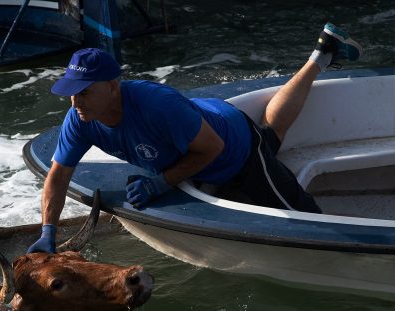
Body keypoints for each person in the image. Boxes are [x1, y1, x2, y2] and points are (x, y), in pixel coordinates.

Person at [28, 23, 362, 254]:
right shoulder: (81, 117)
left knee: (305, 216)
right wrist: (48, 232)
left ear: (113, 86)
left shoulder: (156, 106)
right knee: (272, 136)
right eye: (70, 93)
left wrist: (161, 183)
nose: (75, 102)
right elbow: (57, 177)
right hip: (199, 125)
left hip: (233, 148)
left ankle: (357, 252)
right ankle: (322, 55)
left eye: (83, 92)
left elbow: (213, 148)